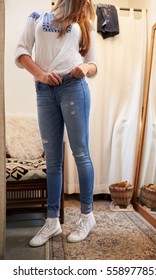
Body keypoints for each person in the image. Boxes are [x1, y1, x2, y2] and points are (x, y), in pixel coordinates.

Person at [15, 0, 97, 247]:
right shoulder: (37, 16)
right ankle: (52, 221)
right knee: (52, 159)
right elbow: (21, 52)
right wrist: (40, 74)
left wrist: (84, 67)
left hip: (73, 88)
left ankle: (87, 215)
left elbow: (93, 64)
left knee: (80, 153)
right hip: (44, 90)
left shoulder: (84, 22)